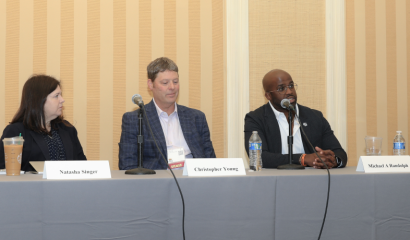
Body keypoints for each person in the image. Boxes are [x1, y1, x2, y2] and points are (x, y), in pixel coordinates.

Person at [119, 57, 216, 170]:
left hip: (193, 183)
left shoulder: (196, 118)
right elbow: (127, 166)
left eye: (175, 82)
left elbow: (210, 161)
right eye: (165, 83)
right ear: (150, 85)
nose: (172, 87)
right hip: (156, 184)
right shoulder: (135, 119)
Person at [244, 69, 347, 169]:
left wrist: (333, 161)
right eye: (281, 88)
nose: (289, 91)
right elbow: (260, 157)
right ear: (268, 96)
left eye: (291, 86)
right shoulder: (255, 119)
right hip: (275, 180)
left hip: (313, 179)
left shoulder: (314, 117)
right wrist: (303, 158)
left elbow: (339, 153)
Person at [0, 75, 86, 172]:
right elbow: (4, 171)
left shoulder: (67, 129)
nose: (62, 100)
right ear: (39, 100)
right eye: (56, 96)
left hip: (67, 187)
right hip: (31, 187)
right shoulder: (16, 131)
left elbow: (82, 166)